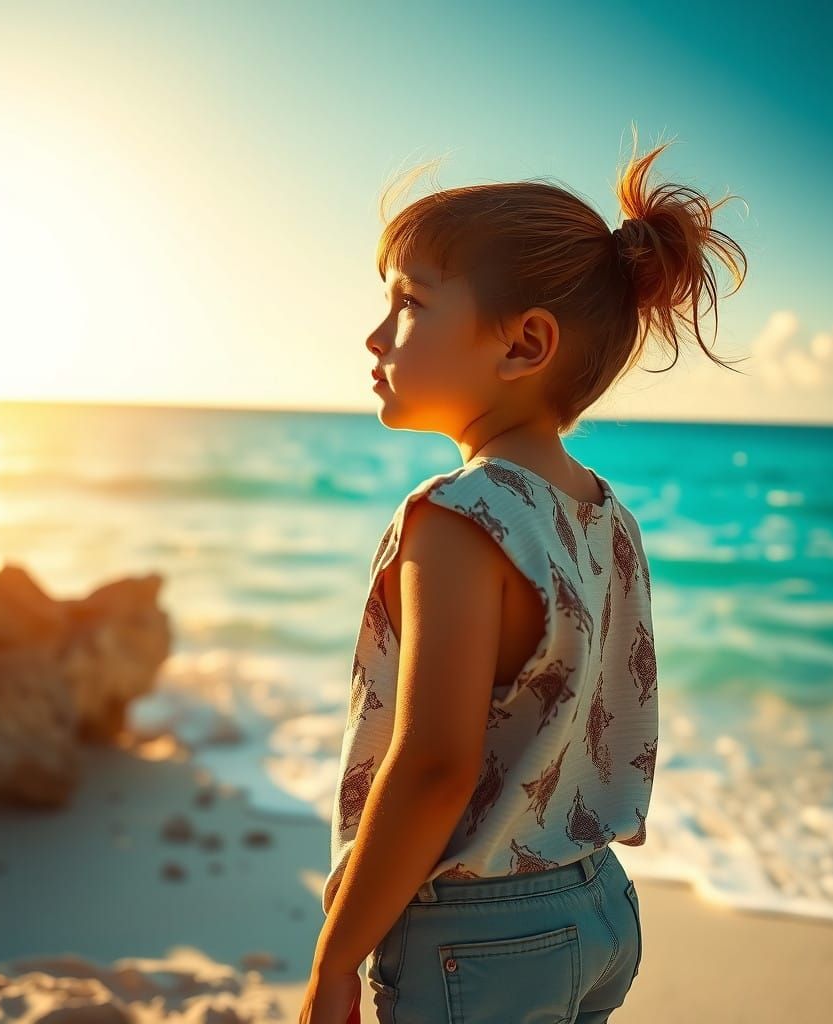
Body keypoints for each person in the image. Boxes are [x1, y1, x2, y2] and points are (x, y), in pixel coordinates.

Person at [299, 125, 749, 1024]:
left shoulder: (460, 518)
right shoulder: (605, 517)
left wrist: (336, 957)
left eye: (411, 304)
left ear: (524, 344)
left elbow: (432, 767)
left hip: (478, 937)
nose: (375, 334)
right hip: (599, 906)